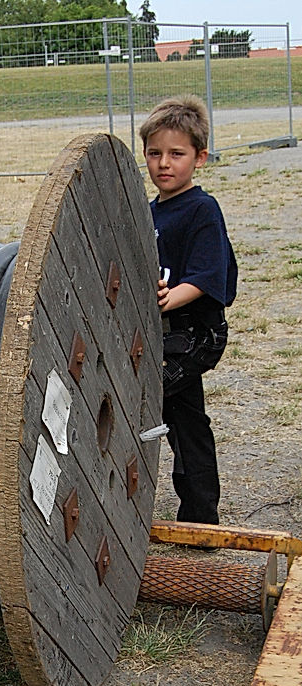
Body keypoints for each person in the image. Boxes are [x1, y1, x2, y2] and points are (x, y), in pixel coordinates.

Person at [140, 96, 238, 525]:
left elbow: (206, 276)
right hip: (163, 334)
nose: (164, 163)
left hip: (195, 335)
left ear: (199, 158)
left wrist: (164, 298)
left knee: (179, 418)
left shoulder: (202, 208)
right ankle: (192, 508)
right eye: (154, 153)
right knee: (178, 415)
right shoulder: (147, 213)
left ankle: (200, 515)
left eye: (177, 154)